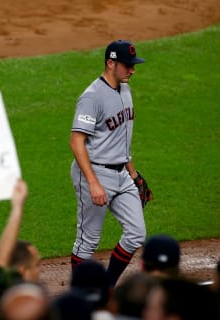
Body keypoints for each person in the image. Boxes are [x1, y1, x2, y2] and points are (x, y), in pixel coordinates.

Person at [69, 39, 147, 287]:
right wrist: (93, 183)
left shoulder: (125, 89)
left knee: (136, 234)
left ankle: (108, 286)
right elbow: (76, 141)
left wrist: (133, 175)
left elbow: (121, 139)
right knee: (88, 240)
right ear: (110, 63)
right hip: (95, 173)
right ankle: (79, 295)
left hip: (121, 174)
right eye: (127, 65)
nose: (132, 70)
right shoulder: (92, 97)